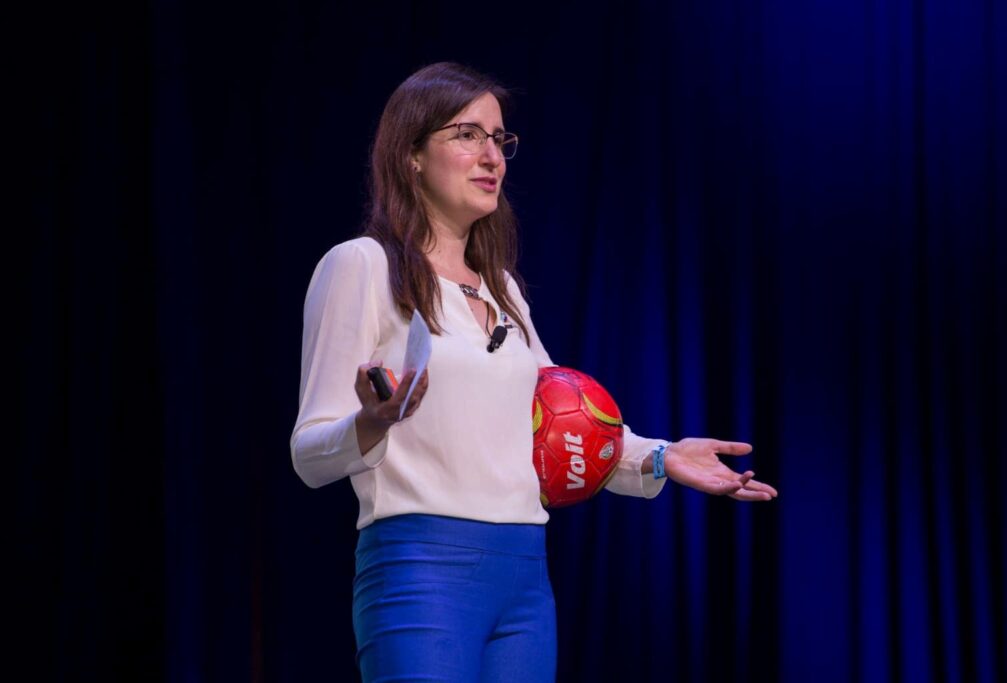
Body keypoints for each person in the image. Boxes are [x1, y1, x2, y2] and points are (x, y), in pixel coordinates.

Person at [290, 61, 778, 682]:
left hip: (523, 578)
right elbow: (309, 455)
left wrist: (661, 457)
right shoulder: (361, 266)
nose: (491, 155)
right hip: (422, 570)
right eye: (467, 135)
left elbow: (558, 420)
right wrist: (371, 422)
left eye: (499, 139)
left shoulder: (505, 295)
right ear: (410, 154)